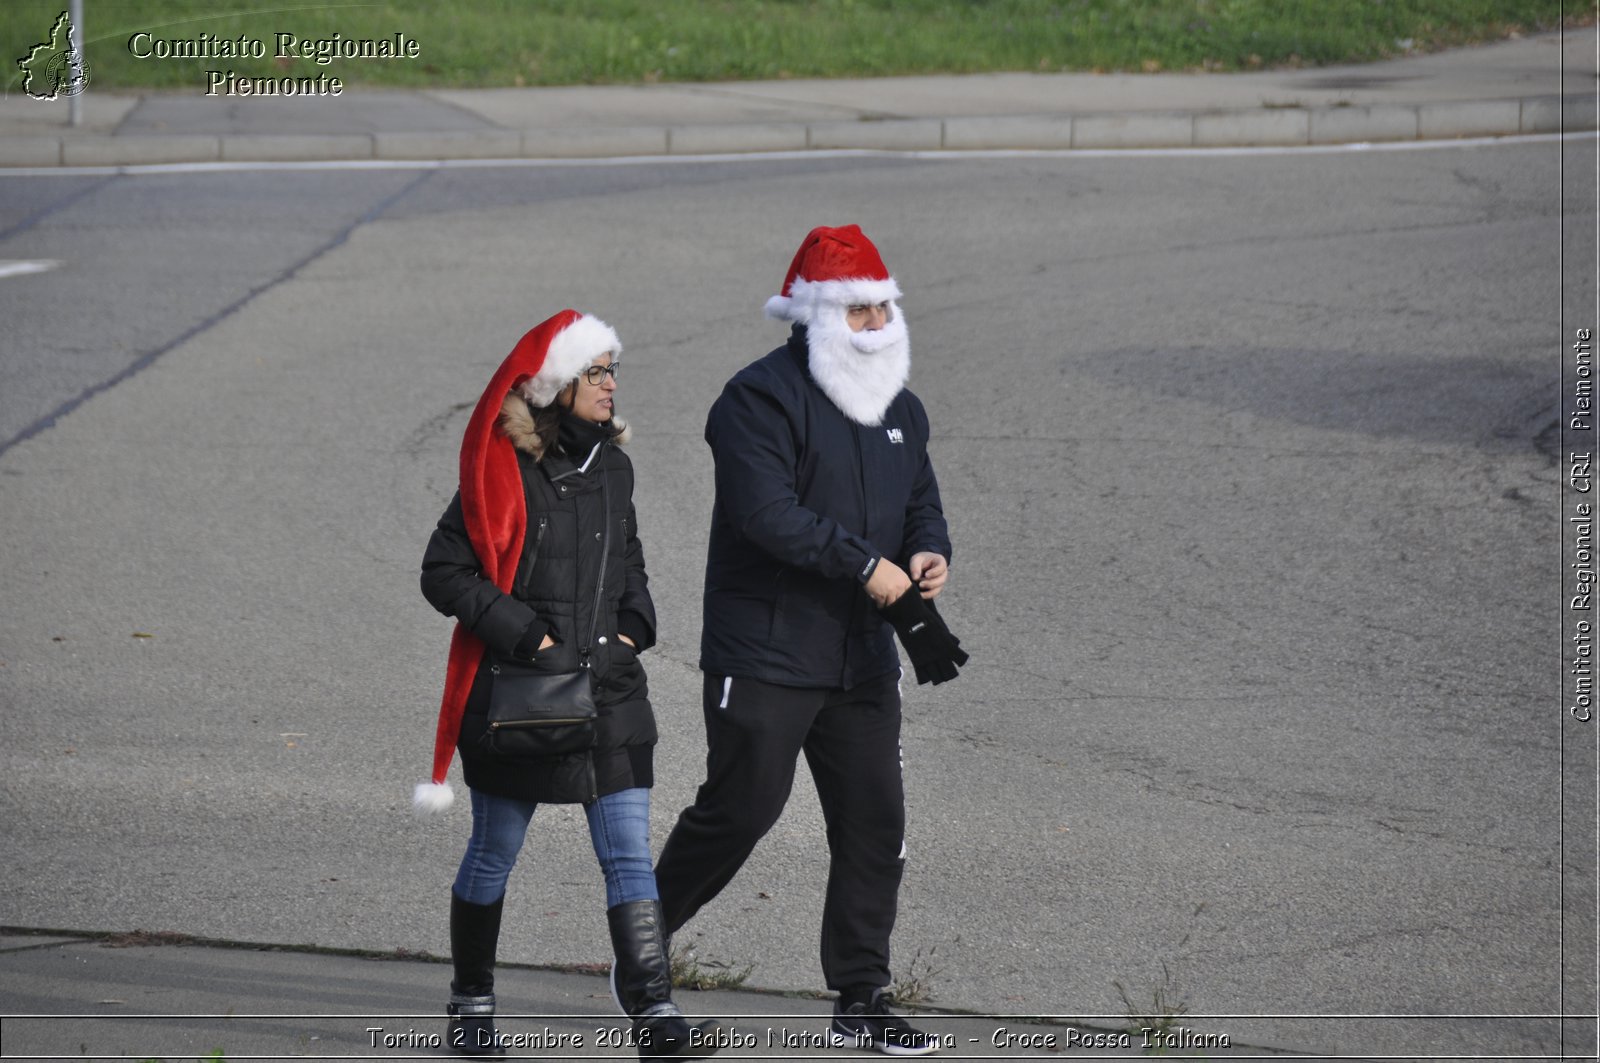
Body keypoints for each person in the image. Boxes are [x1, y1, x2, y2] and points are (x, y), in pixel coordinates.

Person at [653, 226, 961, 1056]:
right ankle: (640, 950)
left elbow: (920, 497)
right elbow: (766, 515)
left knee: (875, 823)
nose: (875, 322)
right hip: (767, 651)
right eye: (858, 309)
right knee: (741, 811)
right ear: (818, 315)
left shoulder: (900, 403)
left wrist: (928, 551)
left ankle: (862, 995)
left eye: (883, 307)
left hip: (861, 655)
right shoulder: (756, 398)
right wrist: (869, 567)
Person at [415, 310, 719, 1060]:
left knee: (626, 854)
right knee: (493, 851)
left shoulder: (614, 467)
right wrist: (531, 636)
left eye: (614, 370)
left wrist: (634, 628)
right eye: (597, 372)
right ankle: (473, 1005)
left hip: (610, 691)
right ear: (558, 386)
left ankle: (655, 1015)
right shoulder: (504, 469)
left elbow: (632, 560)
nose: (612, 385)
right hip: (524, 695)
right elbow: (443, 571)